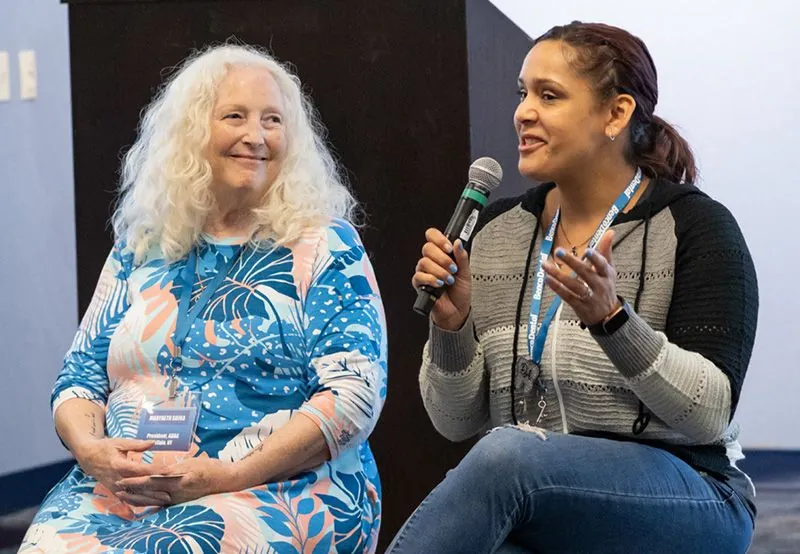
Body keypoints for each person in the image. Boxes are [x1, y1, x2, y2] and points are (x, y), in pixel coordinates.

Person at [391, 21, 757, 554]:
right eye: (523, 94)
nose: (523, 112)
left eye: (549, 95)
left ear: (616, 113)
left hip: (692, 496)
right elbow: (453, 423)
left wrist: (613, 322)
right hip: (544, 495)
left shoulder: (696, 229)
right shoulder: (495, 234)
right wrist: (452, 328)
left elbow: (707, 415)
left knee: (505, 456)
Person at [20, 44, 387, 554]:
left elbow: (354, 396)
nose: (255, 136)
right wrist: (93, 452)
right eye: (234, 116)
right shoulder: (144, 244)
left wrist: (223, 475)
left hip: (279, 486)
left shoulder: (325, 245)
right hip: (127, 486)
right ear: (192, 133)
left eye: (272, 120)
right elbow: (79, 375)